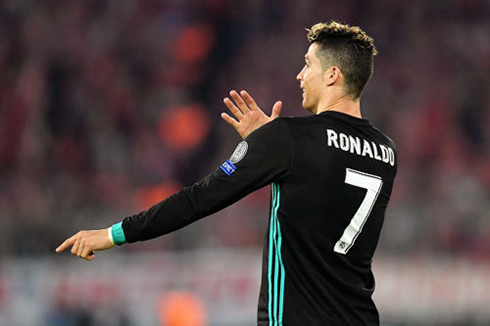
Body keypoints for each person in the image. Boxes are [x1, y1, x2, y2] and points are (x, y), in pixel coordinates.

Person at [57, 21, 397, 325]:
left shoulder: (290, 139)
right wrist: (269, 148)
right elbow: (322, 185)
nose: (299, 75)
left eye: (307, 64)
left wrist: (114, 234)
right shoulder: (386, 152)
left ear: (332, 75)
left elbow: (200, 197)